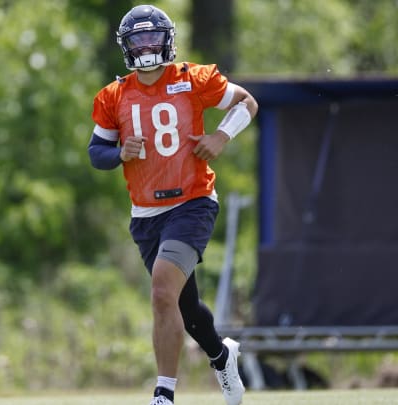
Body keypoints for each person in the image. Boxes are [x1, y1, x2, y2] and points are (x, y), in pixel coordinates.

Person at [87, 4, 258, 405]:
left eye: (153, 37)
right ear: (126, 47)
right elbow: (97, 152)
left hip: (192, 203)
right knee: (184, 306)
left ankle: (163, 394)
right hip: (146, 215)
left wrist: (221, 137)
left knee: (162, 289)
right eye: (138, 39)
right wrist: (120, 154)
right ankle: (221, 354)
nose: (147, 45)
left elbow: (246, 102)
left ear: (167, 40)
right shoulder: (114, 95)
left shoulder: (194, 78)